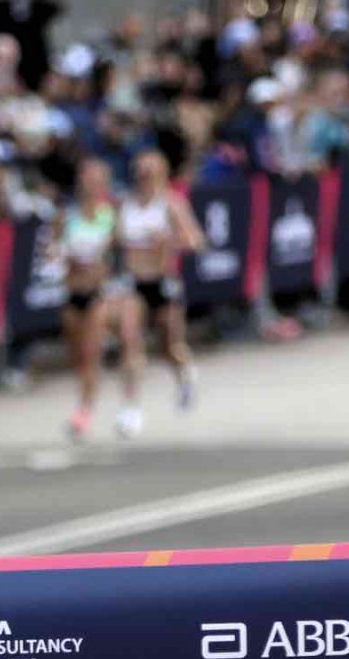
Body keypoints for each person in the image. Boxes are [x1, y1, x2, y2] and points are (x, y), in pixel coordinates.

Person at [109, 149, 205, 440]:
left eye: (150, 172)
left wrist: (170, 240)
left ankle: (185, 373)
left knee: (169, 346)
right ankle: (130, 408)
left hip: (163, 283)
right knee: (130, 342)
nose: (144, 177)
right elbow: (112, 241)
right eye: (140, 172)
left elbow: (196, 241)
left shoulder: (171, 204)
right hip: (133, 284)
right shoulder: (126, 206)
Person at [55, 159, 120, 441]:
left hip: (98, 294)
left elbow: (115, 256)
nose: (91, 185)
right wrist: (65, 259)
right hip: (72, 292)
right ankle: (84, 396)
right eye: (87, 179)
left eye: (97, 180)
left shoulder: (111, 215)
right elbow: (54, 252)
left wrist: (99, 265)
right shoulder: (67, 216)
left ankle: (84, 411)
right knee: (77, 355)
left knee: (91, 353)